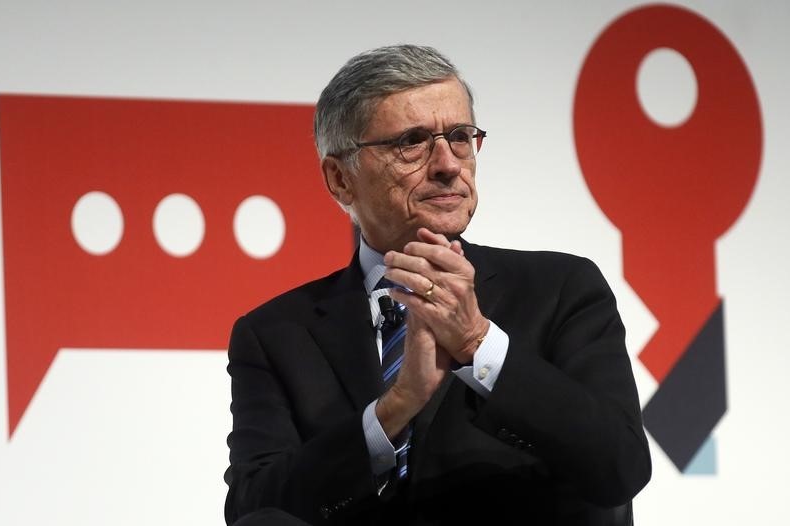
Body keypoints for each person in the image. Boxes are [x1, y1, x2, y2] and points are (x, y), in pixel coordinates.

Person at [224, 44, 651, 526]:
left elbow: (619, 467)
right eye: (413, 141)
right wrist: (391, 412)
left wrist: (478, 344)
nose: (448, 164)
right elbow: (255, 508)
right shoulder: (277, 334)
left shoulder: (561, 290)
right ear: (340, 179)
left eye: (461, 137)